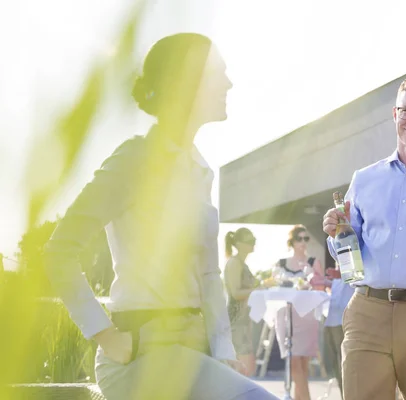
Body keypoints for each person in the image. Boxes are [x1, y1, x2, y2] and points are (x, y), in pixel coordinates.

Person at [44, 33, 277, 400]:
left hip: (193, 355)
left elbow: (208, 275)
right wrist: (105, 335)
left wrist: (222, 351)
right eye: (219, 73)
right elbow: (59, 251)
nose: (229, 83)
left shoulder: (200, 171)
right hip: (141, 356)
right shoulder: (135, 160)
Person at [322, 74, 406, 400]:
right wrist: (338, 232)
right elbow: (349, 253)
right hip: (368, 311)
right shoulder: (365, 179)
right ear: (395, 114)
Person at [273, 224, 324, 400]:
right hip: (286, 316)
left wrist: (311, 280)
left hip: (307, 317)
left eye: (306, 238)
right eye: (299, 239)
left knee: (302, 365)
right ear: (292, 242)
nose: (303, 242)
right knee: (293, 363)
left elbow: (321, 288)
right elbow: (275, 284)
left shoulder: (313, 262)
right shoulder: (280, 264)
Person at [224, 228, 259, 376]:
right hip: (236, 321)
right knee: (244, 369)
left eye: (253, 240)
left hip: (244, 320)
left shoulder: (243, 264)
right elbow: (236, 293)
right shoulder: (234, 263)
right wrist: (257, 290)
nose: (253, 243)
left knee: (246, 369)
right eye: (249, 241)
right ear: (238, 244)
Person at [323, 263, 354, 399]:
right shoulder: (335, 242)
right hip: (332, 317)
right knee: (336, 364)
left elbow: (359, 273)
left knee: (347, 363)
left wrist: (340, 274)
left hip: (347, 317)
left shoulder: (357, 242)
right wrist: (327, 282)